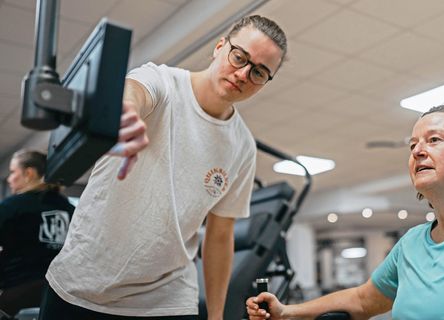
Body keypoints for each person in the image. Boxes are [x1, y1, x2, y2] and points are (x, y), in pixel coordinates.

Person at [40, 15, 287, 319]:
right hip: (82, 285)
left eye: (259, 72)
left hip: (167, 299)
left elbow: (220, 236)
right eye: (239, 57)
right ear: (220, 46)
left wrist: (216, 315)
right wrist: (125, 113)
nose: (243, 74)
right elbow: (135, 92)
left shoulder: (243, 147)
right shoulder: (163, 82)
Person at [246, 104, 444, 320]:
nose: (417, 151)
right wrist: (286, 312)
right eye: (412, 145)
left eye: (434, 140)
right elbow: (361, 300)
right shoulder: (411, 244)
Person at [0, 150, 74, 316]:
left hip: (17, 295)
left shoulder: (13, 207)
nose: (9, 178)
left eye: (13, 172)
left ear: (29, 173)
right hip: (61, 297)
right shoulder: (72, 210)